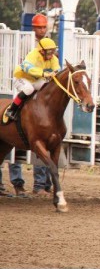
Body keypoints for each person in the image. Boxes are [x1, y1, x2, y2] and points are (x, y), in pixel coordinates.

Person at [5, 37, 60, 196]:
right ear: (42, 51)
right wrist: (44, 72)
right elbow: (29, 69)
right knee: (28, 90)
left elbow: (56, 68)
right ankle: (13, 109)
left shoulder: (53, 59)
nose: (51, 54)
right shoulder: (33, 55)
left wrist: (52, 74)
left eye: (53, 51)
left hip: (37, 80)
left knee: (46, 88)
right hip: (23, 78)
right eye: (49, 52)